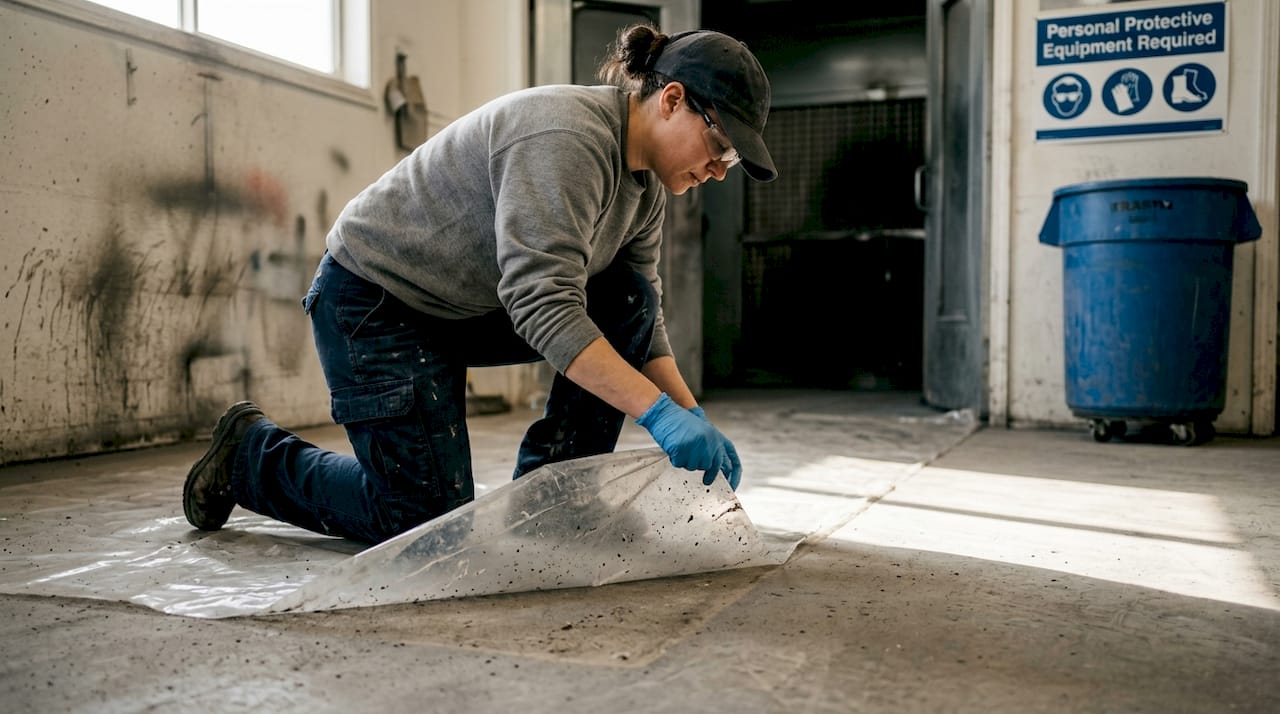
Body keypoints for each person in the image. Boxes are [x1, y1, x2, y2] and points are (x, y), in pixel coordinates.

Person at [182, 24, 778, 544]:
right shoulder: (566, 138)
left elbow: (640, 321)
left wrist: (691, 414)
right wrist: (658, 415)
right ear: (672, 100)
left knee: (628, 298)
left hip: (458, 307)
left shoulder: (647, 188)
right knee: (422, 520)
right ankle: (251, 458)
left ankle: (553, 503)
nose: (718, 170)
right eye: (720, 146)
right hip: (372, 303)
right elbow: (543, 305)